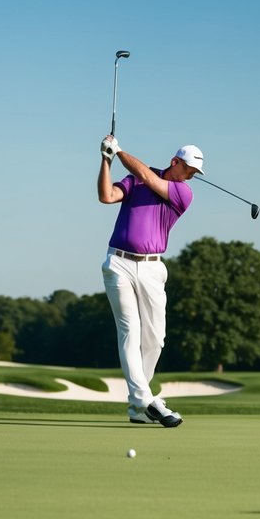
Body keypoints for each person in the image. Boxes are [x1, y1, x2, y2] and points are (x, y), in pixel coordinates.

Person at [97, 135, 203, 427]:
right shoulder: (135, 181)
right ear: (175, 162)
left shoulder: (183, 193)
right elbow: (106, 196)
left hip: (153, 268)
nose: (191, 176)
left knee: (155, 338)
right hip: (118, 263)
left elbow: (144, 173)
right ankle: (146, 401)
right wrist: (106, 160)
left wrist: (117, 150)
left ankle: (137, 407)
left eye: (195, 174)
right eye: (189, 170)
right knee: (130, 331)